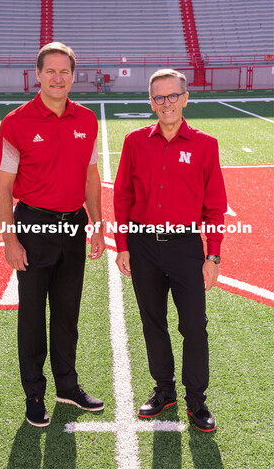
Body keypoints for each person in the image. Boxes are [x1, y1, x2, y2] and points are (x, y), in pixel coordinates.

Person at [0, 42, 106, 427]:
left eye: (65, 71)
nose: (58, 78)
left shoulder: (87, 119)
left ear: (74, 76)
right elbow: (3, 187)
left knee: (67, 312)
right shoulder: (16, 122)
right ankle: (34, 393)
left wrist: (97, 224)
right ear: (38, 75)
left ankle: (67, 386)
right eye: (51, 71)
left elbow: (91, 176)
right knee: (31, 315)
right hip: (33, 226)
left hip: (73, 224)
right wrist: (10, 239)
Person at [114, 69, 227, 432]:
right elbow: (123, 197)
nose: (167, 104)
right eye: (159, 97)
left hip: (185, 247)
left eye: (173, 96)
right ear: (151, 101)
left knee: (194, 325)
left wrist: (213, 256)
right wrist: (123, 246)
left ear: (185, 97)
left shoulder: (205, 144)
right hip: (144, 245)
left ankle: (197, 400)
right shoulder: (135, 141)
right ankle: (165, 390)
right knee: (153, 322)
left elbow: (215, 205)